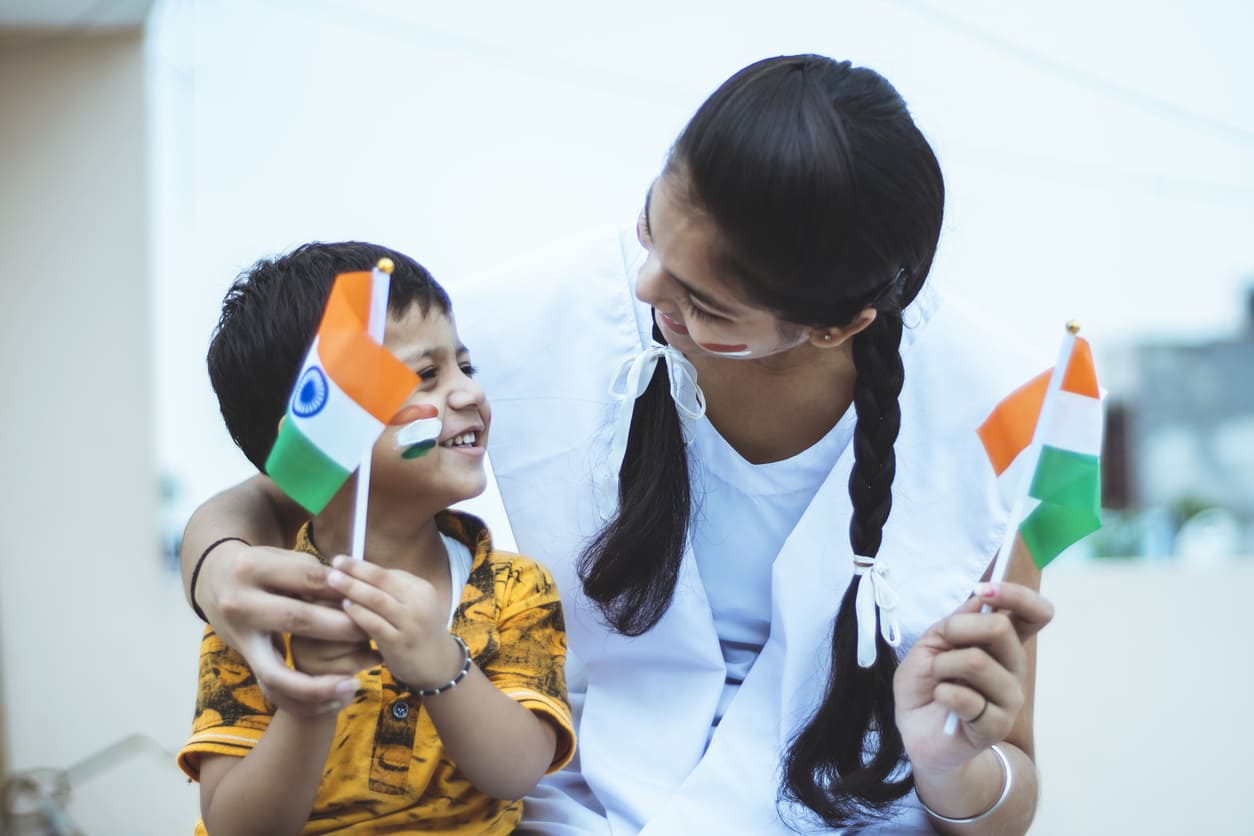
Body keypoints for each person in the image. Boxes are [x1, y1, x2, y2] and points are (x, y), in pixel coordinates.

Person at [180, 56, 1054, 834]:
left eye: (707, 306)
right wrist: (219, 570)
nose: (646, 286)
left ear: (837, 327)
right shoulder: (539, 322)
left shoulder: (993, 422)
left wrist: (951, 769)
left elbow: (1006, 788)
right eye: (649, 226)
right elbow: (300, 475)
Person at [175, 242, 575, 835]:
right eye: (425, 377)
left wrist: (438, 661)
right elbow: (237, 826)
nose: (468, 393)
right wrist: (307, 701)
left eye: (466, 366)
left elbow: (517, 772)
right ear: (322, 435)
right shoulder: (258, 607)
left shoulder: (514, 588)